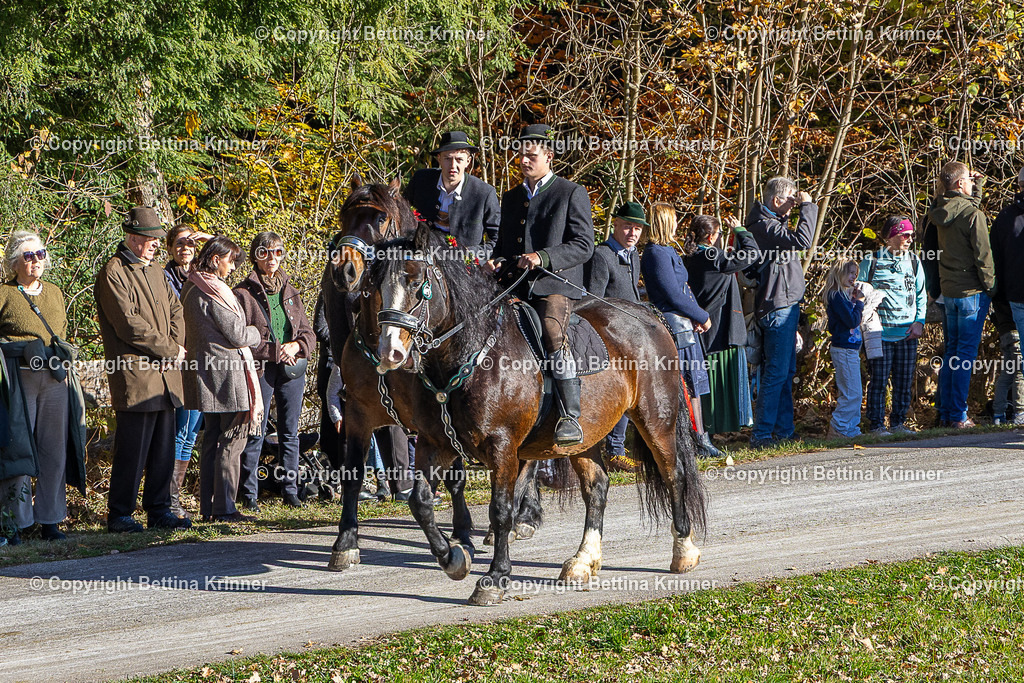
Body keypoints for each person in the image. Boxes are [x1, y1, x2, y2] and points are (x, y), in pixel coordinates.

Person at [486, 124, 595, 446]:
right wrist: (496, 261)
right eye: (519, 155)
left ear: (548, 156)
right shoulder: (511, 196)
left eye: (530, 155)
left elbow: (583, 244)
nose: (523, 160)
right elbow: (504, 246)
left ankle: (569, 415)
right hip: (514, 284)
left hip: (555, 284)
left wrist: (543, 257)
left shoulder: (571, 192)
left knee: (551, 331)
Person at [95, 207, 191, 532]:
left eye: (157, 239)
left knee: (163, 449)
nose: (156, 245)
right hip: (136, 377)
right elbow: (127, 325)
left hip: (166, 376)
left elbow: (177, 309)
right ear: (134, 238)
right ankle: (120, 514)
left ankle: (158, 509)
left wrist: (175, 347)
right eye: (151, 239)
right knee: (132, 451)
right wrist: (169, 349)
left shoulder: (155, 271)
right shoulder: (114, 272)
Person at [0, 231, 86, 544]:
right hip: (18, 378)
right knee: (18, 449)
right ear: (15, 262)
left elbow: (60, 333)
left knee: (54, 450)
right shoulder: (5, 293)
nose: (36, 261)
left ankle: (51, 520)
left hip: (54, 377)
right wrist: (17, 347)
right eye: (28, 255)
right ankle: (15, 523)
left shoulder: (54, 292)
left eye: (40, 254)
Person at [180, 237, 262, 522]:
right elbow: (238, 334)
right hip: (228, 374)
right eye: (230, 260)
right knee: (233, 439)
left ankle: (209, 508)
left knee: (212, 439)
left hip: (206, 374)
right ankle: (225, 508)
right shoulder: (214, 291)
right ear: (215, 259)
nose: (233, 266)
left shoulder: (191, 286)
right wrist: (257, 333)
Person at [235, 232, 316, 508]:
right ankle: (248, 494)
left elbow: (309, 333)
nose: (272, 259)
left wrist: (296, 346)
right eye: (265, 253)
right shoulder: (243, 293)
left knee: (290, 432)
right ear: (255, 256)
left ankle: (290, 490)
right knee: (255, 431)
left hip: (292, 369)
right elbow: (240, 337)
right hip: (260, 369)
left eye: (278, 252)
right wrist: (273, 350)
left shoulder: (290, 291)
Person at [640, 203, 718, 458]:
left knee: (694, 384)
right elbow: (672, 294)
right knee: (685, 385)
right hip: (675, 328)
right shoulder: (655, 253)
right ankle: (691, 441)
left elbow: (684, 290)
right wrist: (702, 316)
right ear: (664, 221)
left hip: (686, 323)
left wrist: (695, 314)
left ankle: (701, 438)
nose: (677, 224)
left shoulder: (666, 250)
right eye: (673, 219)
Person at [746, 176, 818, 448]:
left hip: (784, 303)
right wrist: (808, 207)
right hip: (776, 306)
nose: (794, 202)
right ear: (776, 201)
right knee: (775, 372)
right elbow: (802, 240)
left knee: (785, 371)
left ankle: (784, 430)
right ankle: (762, 434)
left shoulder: (771, 223)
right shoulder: (764, 226)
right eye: (790, 199)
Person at [929, 161, 995, 428]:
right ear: (959, 184)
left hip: (949, 291)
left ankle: (947, 412)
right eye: (968, 179)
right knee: (965, 356)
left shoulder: (938, 211)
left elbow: (964, 209)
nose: (971, 181)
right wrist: (991, 287)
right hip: (971, 292)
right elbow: (983, 255)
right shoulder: (972, 216)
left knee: (952, 354)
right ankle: (958, 415)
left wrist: (976, 187)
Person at [684, 214, 759, 437]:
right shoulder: (711, 255)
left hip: (701, 327)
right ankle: (714, 429)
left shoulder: (690, 256)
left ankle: (706, 430)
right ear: (710, 237)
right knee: (716, 382)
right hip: (719, 329)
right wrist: (740, 231)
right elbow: (751, 255)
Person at [584, 202, 644, 469]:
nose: (633, 232)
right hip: (608, 338)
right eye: (628, 226)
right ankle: (612, 450)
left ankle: (619, 446)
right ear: (616, 225)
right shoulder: (602, 255)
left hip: (631, 336)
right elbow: (593, 301)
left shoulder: (634, 255)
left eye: (638, 228)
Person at [857, 216, 927, 435]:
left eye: (911, 235)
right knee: (878, 380)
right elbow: (860, 293)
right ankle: (876, 424)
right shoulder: (872, 260)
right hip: (880, 332)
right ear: (890, 237)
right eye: (904, 234)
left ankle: (898, 422)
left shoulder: (914, 261)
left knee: (904, 380)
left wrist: (919, 322)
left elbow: (921, 294)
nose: (909, 239)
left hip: (907, 331)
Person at [163, 225, 212, 518]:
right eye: (180, 243)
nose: (185, 248)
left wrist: (208, 240)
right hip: (179, 360)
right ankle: (170, 499)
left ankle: (175, 496)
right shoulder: (164, 277)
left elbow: (228, 256)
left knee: (192, 430)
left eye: (191, 244)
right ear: (170, 247)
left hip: (203, 359)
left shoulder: (200, 276)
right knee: (180, 431)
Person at [404, 130, 500, 259]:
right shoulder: (421, 180)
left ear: (468, 161)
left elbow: (498, 239)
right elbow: (401, 213)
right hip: (420, 259)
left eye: (459, 159)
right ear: (439, 159)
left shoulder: (484, 193)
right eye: (447, 159)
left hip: (464, 266)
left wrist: (471, 253)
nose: (453, 166)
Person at [991, 166, 1024, 420]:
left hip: (1014, 296)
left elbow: (995, 263)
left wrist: (998, 299)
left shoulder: (1004, 218)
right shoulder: (1004, 219)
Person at [823, 259, 866, 439]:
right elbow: (852, 321)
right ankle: (839, 427)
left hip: (851, 349)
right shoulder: (836, 296)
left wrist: (854, 300)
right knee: (852, 393)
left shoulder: (845, 297)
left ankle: (851, 428)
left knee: (855, 392)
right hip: (844, 349)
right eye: (850, 273)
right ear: (839, 273)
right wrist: (860, 303)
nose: (853, 277)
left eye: (855, 274)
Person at [990, 300, 1024, 425]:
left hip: (1004, 331)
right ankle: (1020, 412)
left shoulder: (999, 287)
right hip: (1016, 332)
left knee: (1006, 375)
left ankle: (998, 413)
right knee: (1019, 372)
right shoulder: (1012, 286)